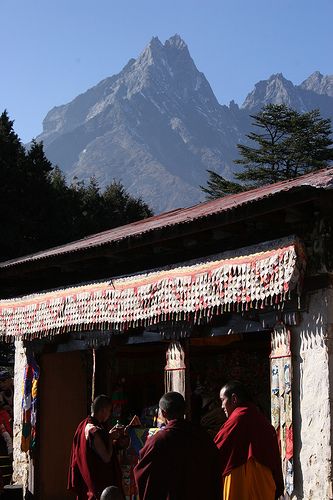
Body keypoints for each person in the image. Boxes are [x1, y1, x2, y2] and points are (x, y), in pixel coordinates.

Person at [133, 391, 220, 500]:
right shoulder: (202, 436)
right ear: (185, 410)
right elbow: (215, 468)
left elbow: (143, 475)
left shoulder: (158, 441)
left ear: (163, 413)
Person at [214, 380, 284, 500]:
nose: (221, 406)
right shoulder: (261, 419)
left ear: (234, 399)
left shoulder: (238, 418)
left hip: (240, 483)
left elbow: (216, 449)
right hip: (264, 484)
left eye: (222, 400)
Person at [68, 394, 125, 500]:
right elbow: (106, 457)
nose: (109, 414)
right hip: (97, 485)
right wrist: (110, 438)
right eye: (109, 411)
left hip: (86, 482)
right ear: (103, 410)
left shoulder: (83, 425)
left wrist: (108, 435)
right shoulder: (93, 430)